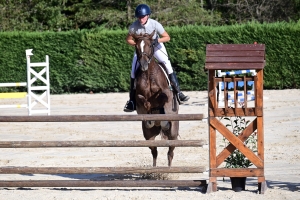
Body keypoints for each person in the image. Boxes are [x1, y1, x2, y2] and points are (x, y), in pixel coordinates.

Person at [123, 4, 190, 112]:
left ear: (148, 15)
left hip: (156, 46)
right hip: (143, 50)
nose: (141, 19)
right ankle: (131, 101)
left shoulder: (155, 24)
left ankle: (178, 92)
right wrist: (138, 45)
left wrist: (156, 41)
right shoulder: (134, 26)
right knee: (133, 70)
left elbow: (167, 37)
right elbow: (128, 40)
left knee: (166, 63)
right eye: (139, 17)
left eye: (143, 16)